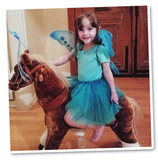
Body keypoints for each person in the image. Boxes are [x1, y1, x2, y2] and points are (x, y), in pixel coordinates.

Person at [53, 12, 125, 143]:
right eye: (81, 29)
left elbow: (107, 71)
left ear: (98, 29)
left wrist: (113, 92)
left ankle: (98, 125)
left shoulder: (100, 49)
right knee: (70, 111)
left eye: (90, 29)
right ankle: (95, 125)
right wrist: (48, 64)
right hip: (80, 85)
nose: (85, 33)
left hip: (95, 88)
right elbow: (65, 58)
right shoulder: (79, 47)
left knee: (69, 118)